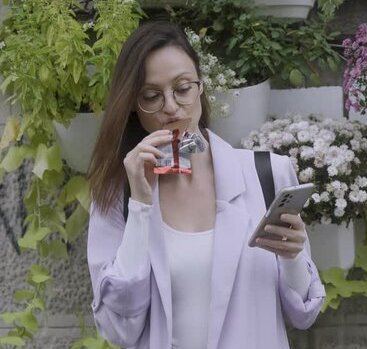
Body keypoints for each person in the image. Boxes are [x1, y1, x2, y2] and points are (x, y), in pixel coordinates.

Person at [86, 21, 325, 349]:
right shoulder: (118, 195)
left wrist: (293, 255)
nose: (171, 106)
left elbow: (303, 314)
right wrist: (140, 206)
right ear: (132, 104)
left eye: (182, 88)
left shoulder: (267, 173)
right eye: (152, 96)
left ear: (200, 86)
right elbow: (117, 329)